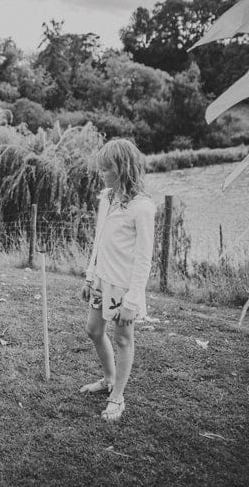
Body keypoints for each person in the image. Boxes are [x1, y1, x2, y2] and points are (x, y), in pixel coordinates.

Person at [79, 138, 155, 422]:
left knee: (123, 338)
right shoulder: (106, 198)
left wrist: (132, 301)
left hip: (124, 287)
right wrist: (89, 277)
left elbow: (144, 258)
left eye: (106, 168)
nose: (101, 173)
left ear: (122, 168)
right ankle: (108, 380)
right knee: (93, 330)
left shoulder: (142, 207)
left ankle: (117, 397)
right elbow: (99, 240)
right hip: (102, 280)